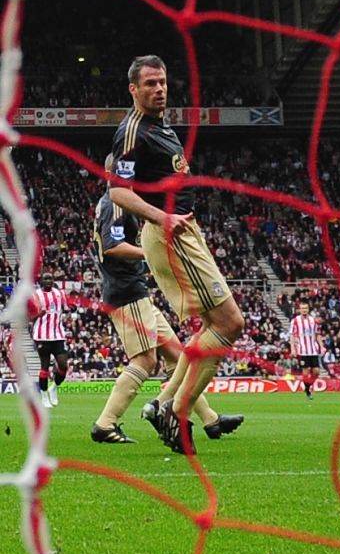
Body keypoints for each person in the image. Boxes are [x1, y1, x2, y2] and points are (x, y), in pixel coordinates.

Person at [108, 55, 246, 454]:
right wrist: (162, 218)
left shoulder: (161, 125)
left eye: (163, 82)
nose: (159, 89)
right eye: (150, 83)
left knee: (212, 325)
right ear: (133, 89)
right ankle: (175, 408)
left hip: (183, 230)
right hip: (169, 232)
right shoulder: (133, 131)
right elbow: (118, 191)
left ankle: (164, 404)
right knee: (229, 323)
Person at [90, 154, 244, 444]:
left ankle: (209, 419)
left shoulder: (110, 204)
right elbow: (112, 246)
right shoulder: (115, 204)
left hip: (132, 290)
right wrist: (151, 254)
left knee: (177, 353)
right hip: (126, 291)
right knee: (145, 360)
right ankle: (106, 423)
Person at [29, 275, 70, 408]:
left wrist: (72, 309)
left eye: (50, 279)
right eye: (45, 279)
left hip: (58, 335)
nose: (48, 281)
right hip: (41, 336)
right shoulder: (35, 296)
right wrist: (38, 315)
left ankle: (54, 388)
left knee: (63, 365)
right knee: (44, 366)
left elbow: (66, 308)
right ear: (41, 282)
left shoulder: (60, 293)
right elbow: (29, 317)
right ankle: (44, 395)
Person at [288, 302, 322, 401]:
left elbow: (317, 334)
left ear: (308, 309)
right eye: (302, 308)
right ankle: (307, 391)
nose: (304, 310)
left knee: (317, 371)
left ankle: (308, 386)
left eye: (306, 308)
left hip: (313, 350)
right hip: (302, 351)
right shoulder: (295, 321)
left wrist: (321, 346)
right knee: (306, 373)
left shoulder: (313, 320)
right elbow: (292, 335)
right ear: (299, 309)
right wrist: (293, 349)